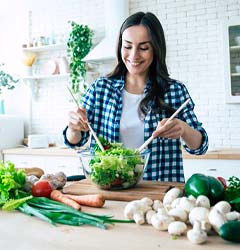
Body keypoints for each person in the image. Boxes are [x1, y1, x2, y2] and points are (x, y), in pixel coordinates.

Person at [63, 11, 208, 183]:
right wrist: (74, 128)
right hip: (110, 191)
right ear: (120, 47)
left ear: (156, 48)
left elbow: (200, 146)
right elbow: (76, 142)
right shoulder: (100, 88)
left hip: (159, 193)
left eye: (144, 48)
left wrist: (184, 129)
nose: (134, 56)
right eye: (128, 46)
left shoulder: (174, 91)